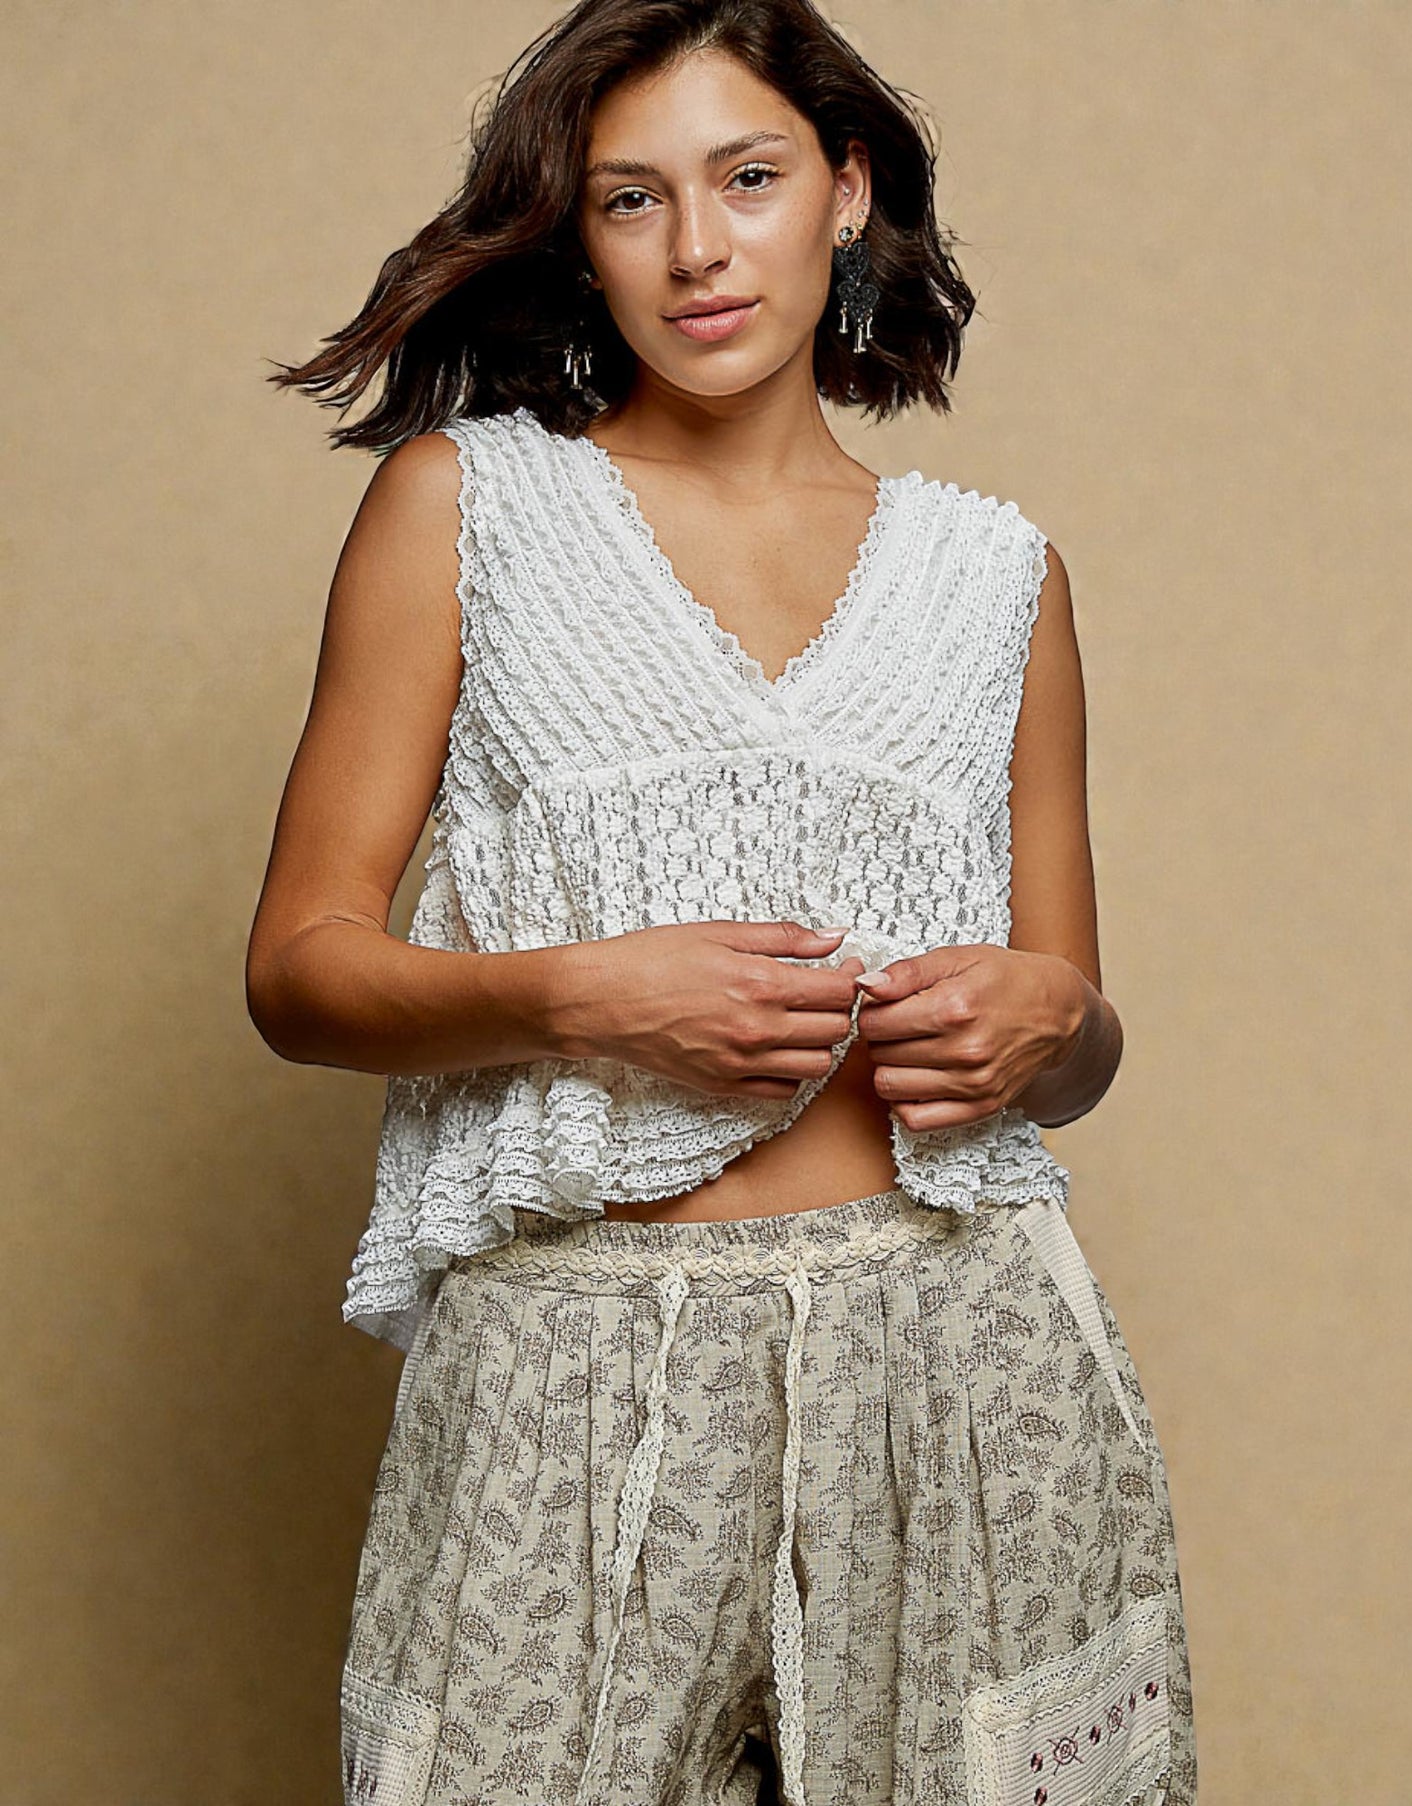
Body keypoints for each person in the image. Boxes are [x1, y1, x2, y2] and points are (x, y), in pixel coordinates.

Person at [247, 2, 1198, 1802]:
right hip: (575, 1351)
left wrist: (1050, 1018)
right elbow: (299, 969)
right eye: (630, 199)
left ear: (843, 192)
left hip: (955, 1347)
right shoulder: (464, 510)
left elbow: (1072, 1033)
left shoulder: (999, 576)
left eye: (747, 178)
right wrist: (575, 996)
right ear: (576, 235)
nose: (697, 247)